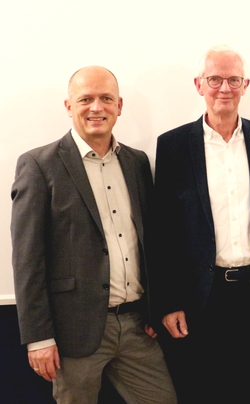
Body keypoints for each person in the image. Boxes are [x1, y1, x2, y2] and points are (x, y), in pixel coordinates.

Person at [10, 66, 177, 403]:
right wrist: (38, 338)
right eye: (86, 99)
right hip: (75, 332)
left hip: (134, 326)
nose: (96, 108)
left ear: (120, 105)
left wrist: (154, 307)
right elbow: (28, 259)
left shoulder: (137, 162)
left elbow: (151, 243)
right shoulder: (39, 166)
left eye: (106, 99)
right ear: (69, 106)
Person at [152, 44, 250, 404]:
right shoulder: (173, 146)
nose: (224, 88)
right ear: (199, 84)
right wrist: (168, 302)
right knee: (204, 391)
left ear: (245, 85)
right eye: (215, 79)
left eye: (233, 80)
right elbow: (163, 231)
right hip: (201, 300)